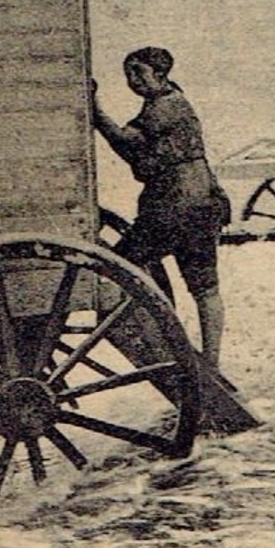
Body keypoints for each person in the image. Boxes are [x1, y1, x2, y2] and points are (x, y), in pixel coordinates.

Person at [92, 47, 229, 367]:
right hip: (203, 201)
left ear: (160, 75)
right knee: (204, 286)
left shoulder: (163, 108)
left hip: (175, 205)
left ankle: (167, 340)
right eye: (128, 74)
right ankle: (209, 362)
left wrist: (95, 111)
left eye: (139, 73)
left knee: (123, 266)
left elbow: (126, 142)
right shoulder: (176, 101)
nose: (132, 81)